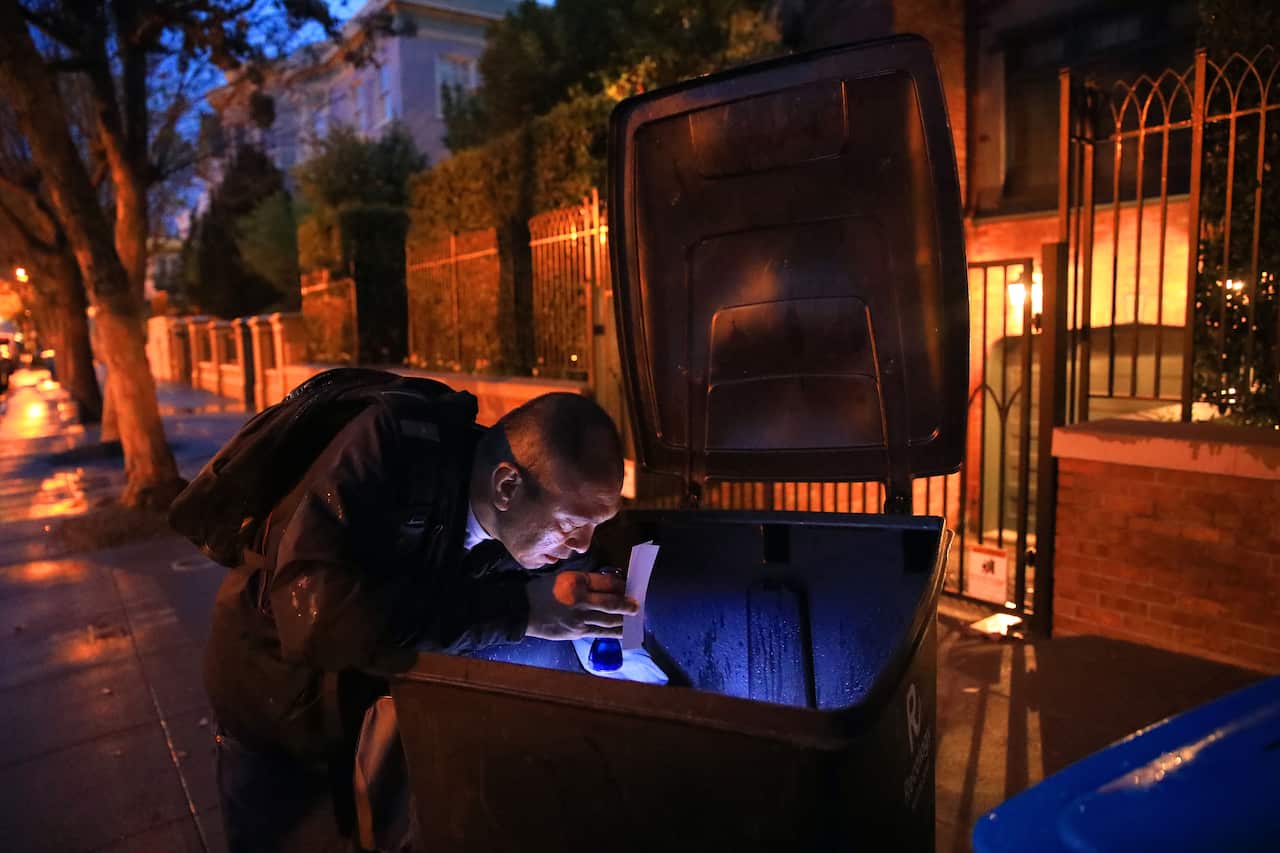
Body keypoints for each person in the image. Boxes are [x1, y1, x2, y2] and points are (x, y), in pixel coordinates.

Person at [204, 388, 635, 852]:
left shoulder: (519, 514)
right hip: (275, 701)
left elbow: (574, 561)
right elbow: (323, 621)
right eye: (572, 526)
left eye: (598, 525)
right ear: (507, 486)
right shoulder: (390, 453)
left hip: (371, 707)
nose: (582, 545)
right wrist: (523, 612)